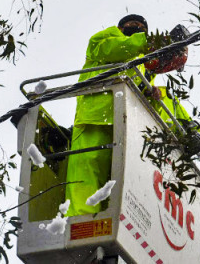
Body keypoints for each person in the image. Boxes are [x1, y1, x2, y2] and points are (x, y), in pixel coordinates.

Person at [64, 14, 157, 216]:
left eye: (142, 27)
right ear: (120, 27)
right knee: (87, 166)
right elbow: (115, 49)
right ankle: (80, 216)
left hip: (121, 123)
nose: (137, 29)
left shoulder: (140, 63)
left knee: (114, 174)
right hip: (94, 116)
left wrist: (151, 92)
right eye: (133, 25)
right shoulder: (104, 39)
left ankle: (106, 218)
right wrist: (148, 41)